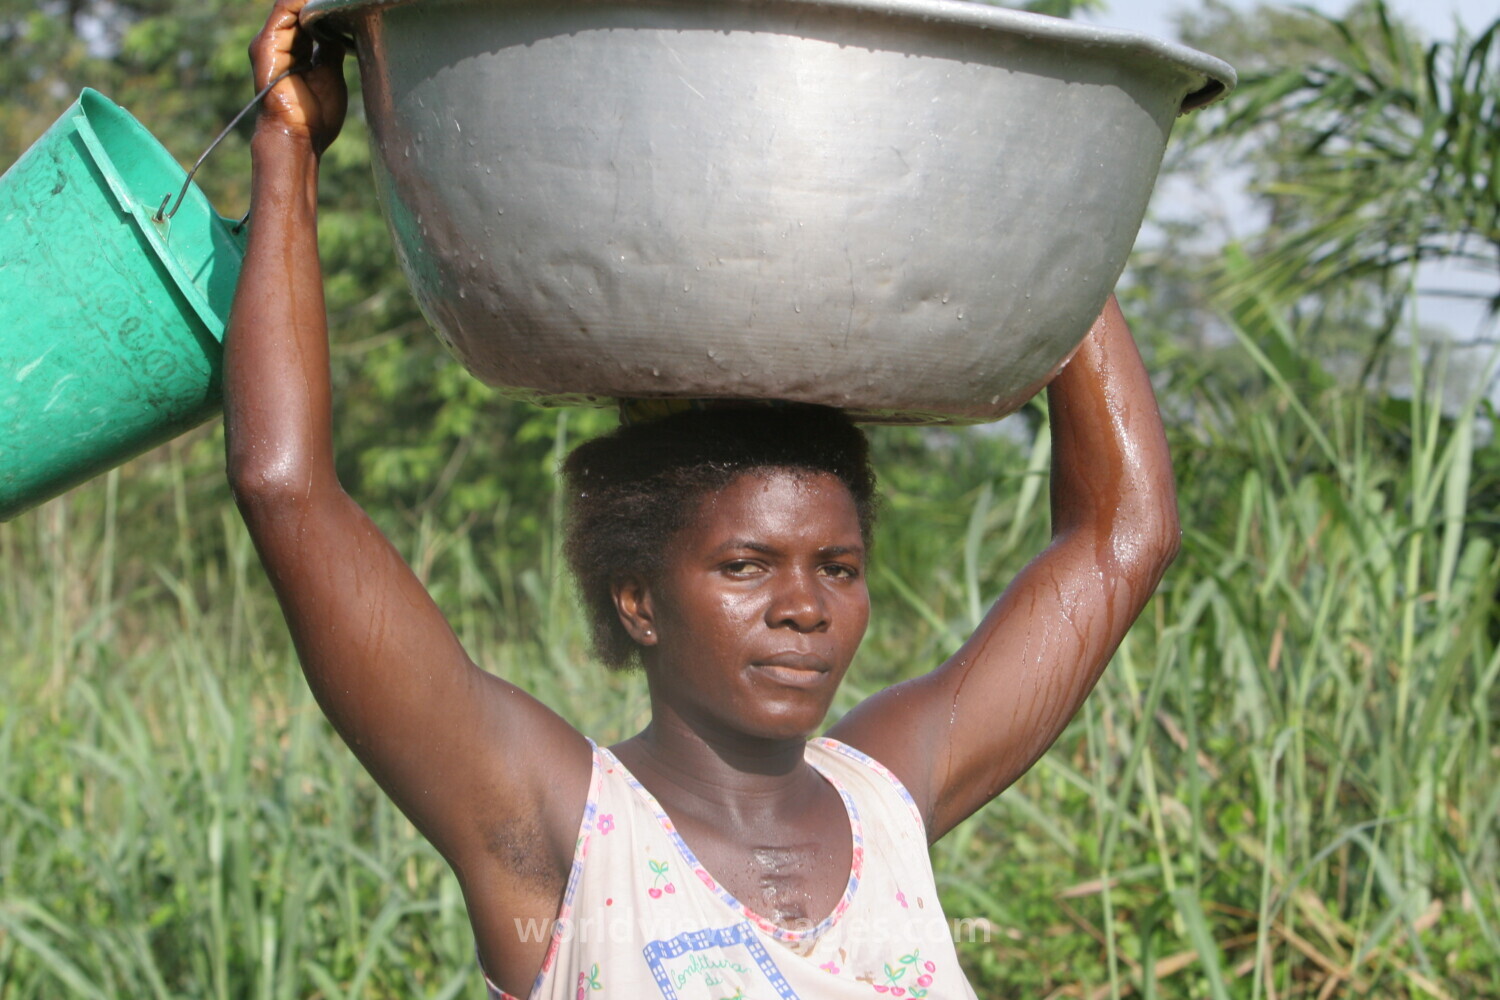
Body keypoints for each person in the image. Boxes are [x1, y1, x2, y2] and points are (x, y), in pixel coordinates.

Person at [226, 2, 1180, 997]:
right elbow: (286, 489)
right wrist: (288, 150)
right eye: (745, 565)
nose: (803, 606)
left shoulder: (887, 798)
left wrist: (1058, 206)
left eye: (837, 568)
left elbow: (1127, 536)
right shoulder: (560, 832)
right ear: (637, 598)